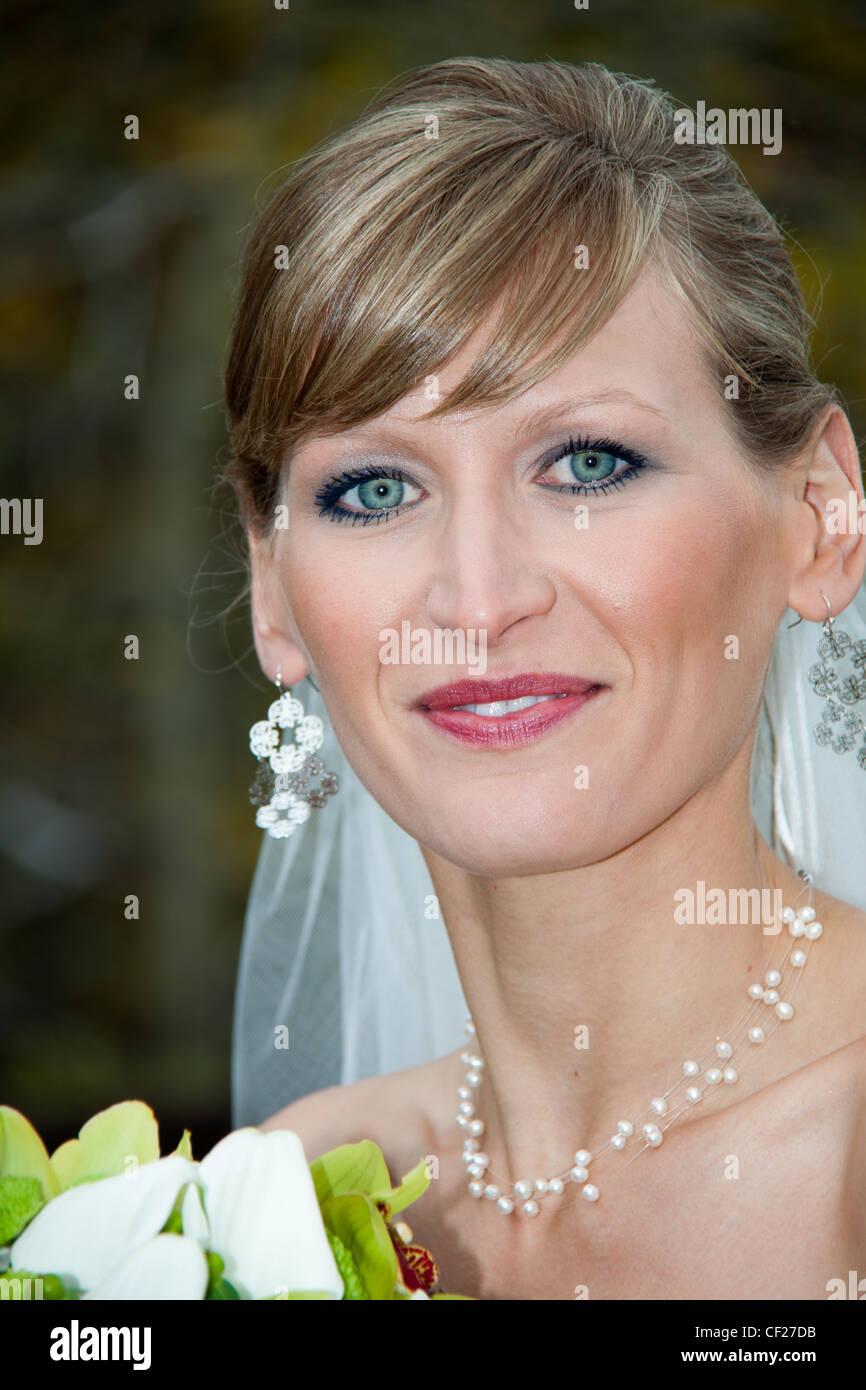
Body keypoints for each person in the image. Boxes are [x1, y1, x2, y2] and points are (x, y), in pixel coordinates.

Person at [222, 57, 866, 1299]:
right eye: (374, 489)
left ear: (818, 517)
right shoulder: (272, 1203)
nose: (476, 599)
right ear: (271, 586)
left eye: (585, 465)